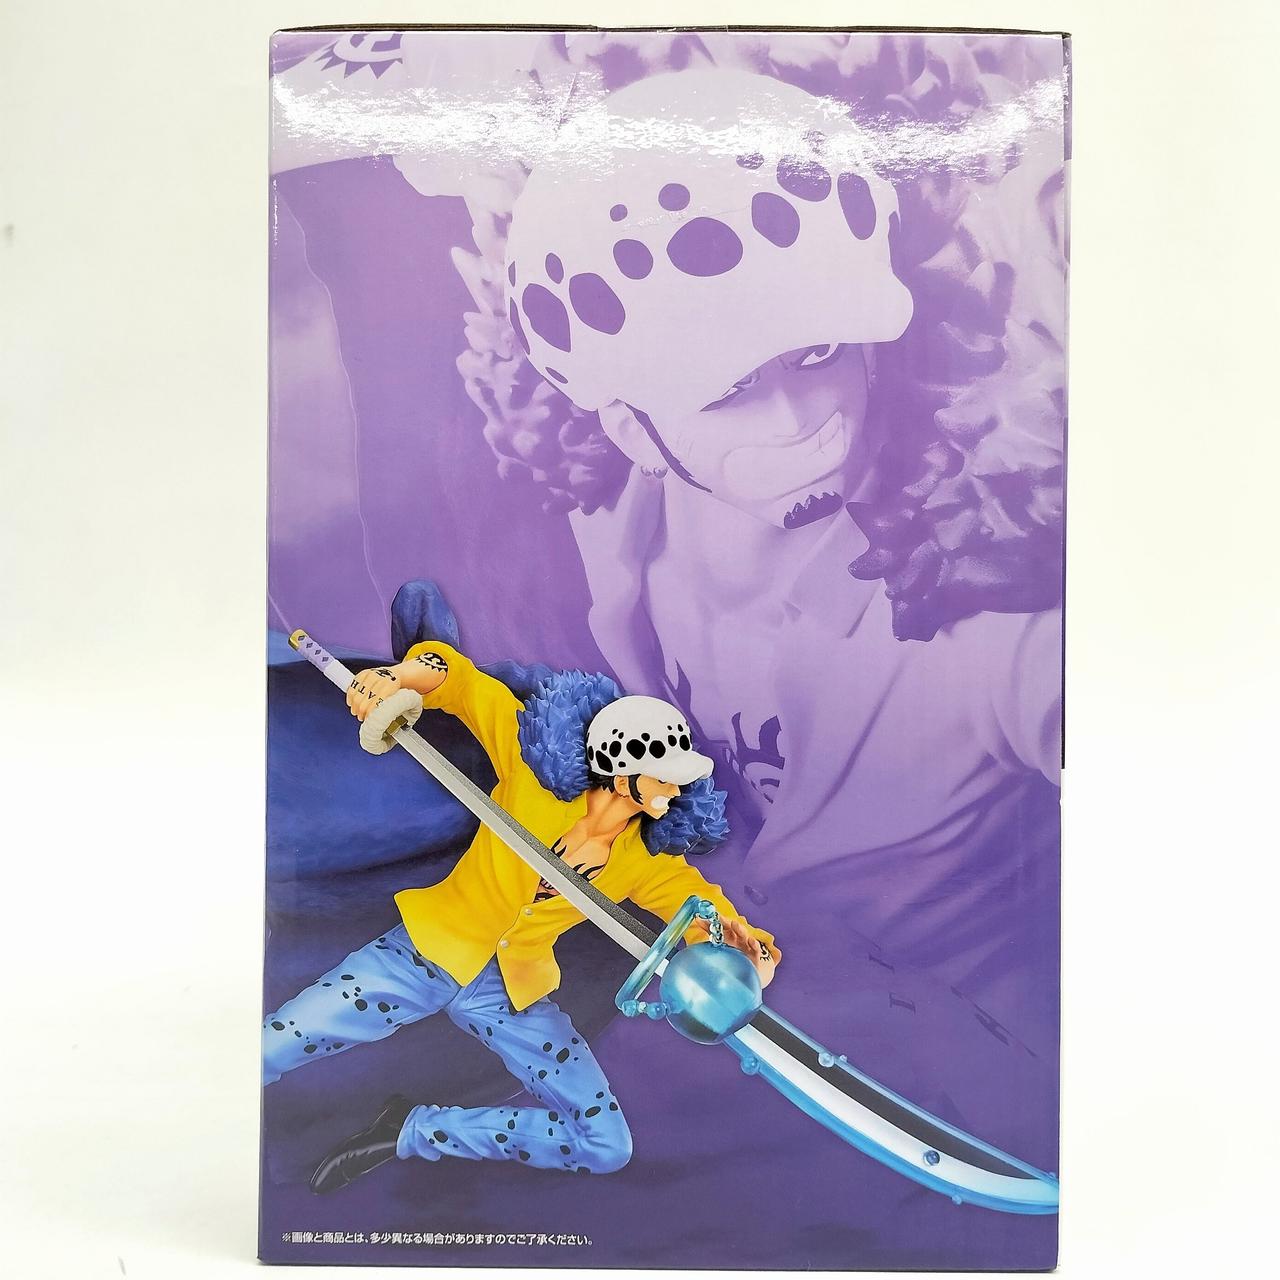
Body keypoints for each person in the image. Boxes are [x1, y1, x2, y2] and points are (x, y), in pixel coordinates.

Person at [493, 68, 1063, 1047]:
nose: (804, 420)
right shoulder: (603, 539)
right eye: (728, 390)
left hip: (974, 1087)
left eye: (818, 356)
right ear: (630, 427)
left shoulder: (986, 618)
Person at [262, 638, 778, 1192]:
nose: (675, 788)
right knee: (266, 1050)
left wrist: (749, 958)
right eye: (663, 774)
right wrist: (398, 678)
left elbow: (707, 918)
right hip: (422, 954)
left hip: (511, 993)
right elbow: (459, 680)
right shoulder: (531, 775)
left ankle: (411, 1132)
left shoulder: (647, 861)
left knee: (605, 1144)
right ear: (620, 770)